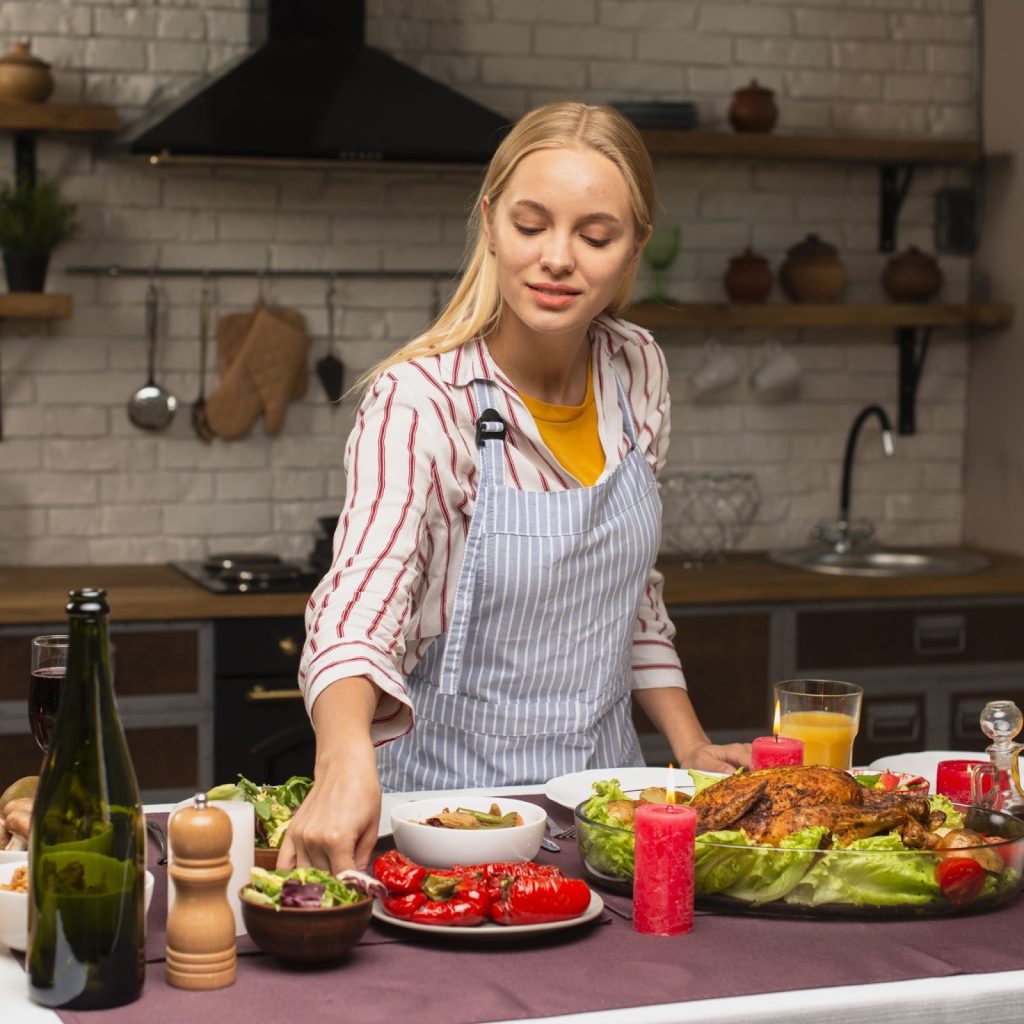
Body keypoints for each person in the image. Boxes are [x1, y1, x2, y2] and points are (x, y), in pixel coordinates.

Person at [280, 101, 750, 874]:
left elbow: (629, 594)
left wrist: (691, 745)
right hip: (446, 821)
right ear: (491, 223)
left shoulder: (638, 370)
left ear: (634, 250)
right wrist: (342, 761)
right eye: (531, 226)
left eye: (595, 236)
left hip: (608, 815)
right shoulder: (423, 400)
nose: (558, 258)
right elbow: (360, 603)